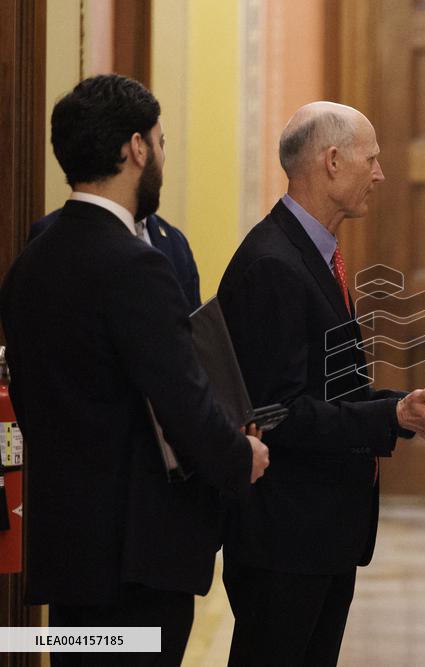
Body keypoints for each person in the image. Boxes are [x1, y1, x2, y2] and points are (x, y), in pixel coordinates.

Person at [0, 74, 269, 666]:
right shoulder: (136, 268)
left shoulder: (30, 263)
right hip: (137, 556)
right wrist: (237, 457)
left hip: (65, 551)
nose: (162, 158)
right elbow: (185, 400)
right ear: (136, 148)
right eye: (162, 143)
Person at [218, 101, 425, 666]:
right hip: (285, 540)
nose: (381, 173)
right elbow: (280, 413)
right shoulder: (272, 265)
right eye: (373, 158)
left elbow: (329, 389)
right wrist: (390, 419)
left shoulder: (310, 253)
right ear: (333, 161)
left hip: (320, 536)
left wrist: (401, 411)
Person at [30, 210, 201, 311]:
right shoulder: (51, 233)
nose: (162, 158)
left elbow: (197, 336)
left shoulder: (174, 241)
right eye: (158, 147)